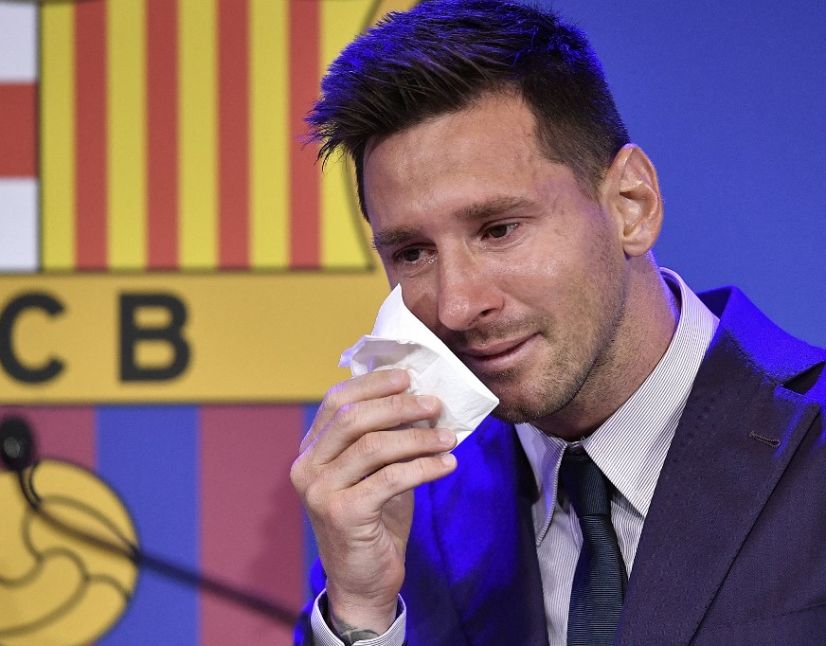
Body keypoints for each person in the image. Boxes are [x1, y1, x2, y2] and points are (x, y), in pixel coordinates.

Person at [290, 1, 826, 645]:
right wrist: (360, 615)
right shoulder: (410, 504)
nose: (457, 306)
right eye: (412, 252)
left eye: (498, 230)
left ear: (632, 205)